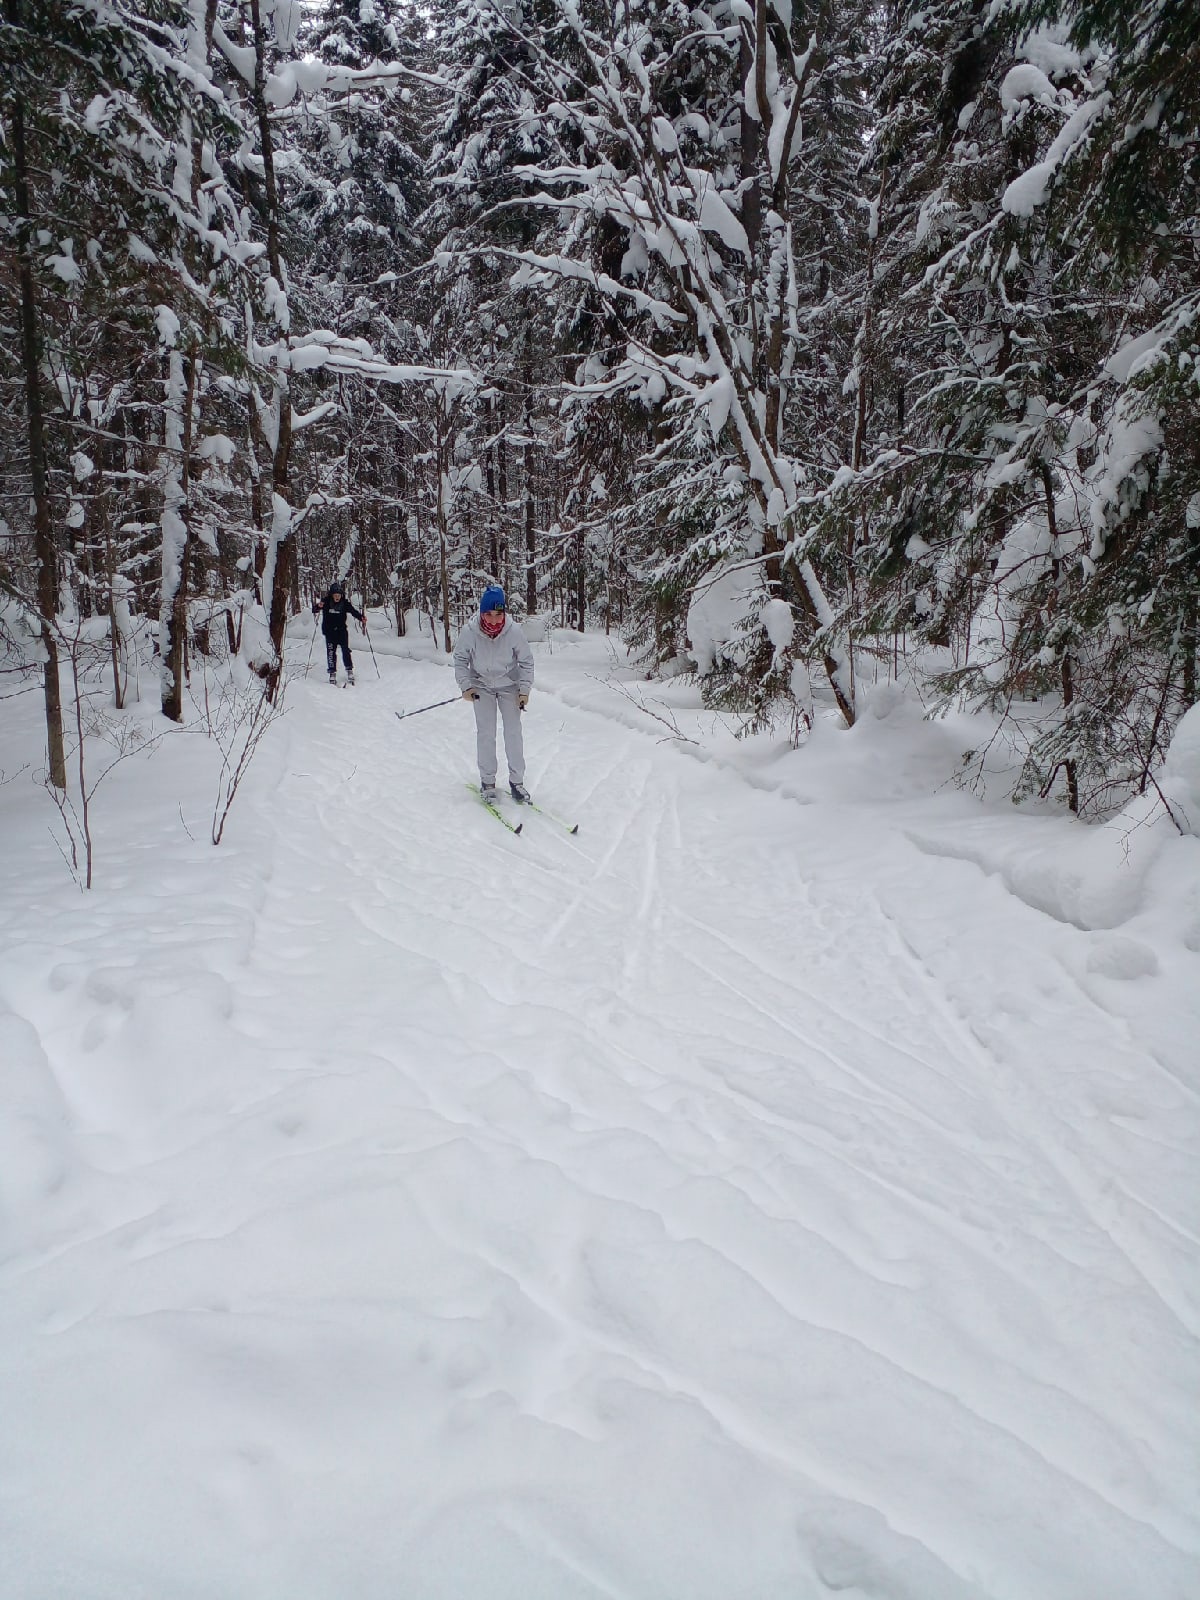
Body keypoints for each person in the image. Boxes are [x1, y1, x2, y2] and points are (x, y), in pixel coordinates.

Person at [453, 584, 535, 803]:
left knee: (513, 733)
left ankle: (517, 783)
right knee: (486, 733)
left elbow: (526, 662)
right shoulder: (470, 632)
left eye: (498, 614)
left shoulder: (514, 632)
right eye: (489, 614)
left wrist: (524, 690)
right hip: (481, 686)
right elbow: (460, 660)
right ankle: (487, 782)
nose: (494, 620)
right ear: (482, 613)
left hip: (509, 685)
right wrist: (466, 686)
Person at [313, 578, 364, 685]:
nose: (337, 596)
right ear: (331, 595)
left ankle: (349, 670)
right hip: (329, 632)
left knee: (345, 650)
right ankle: (332, 672)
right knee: (331, 652)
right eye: (335, 595)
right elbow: (315, 609)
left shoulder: (344, 603)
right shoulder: (326, 602)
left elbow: (353, 611)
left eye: (339, 595)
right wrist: (318, 606)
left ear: (341, 595)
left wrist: (361, 617)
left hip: (341, 631)